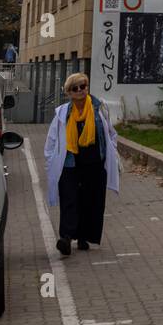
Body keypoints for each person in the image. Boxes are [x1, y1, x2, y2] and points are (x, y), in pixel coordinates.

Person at [44, 72, 120, 255]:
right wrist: (50, 160)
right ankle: (66, 238)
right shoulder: (63, 113)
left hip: (94, 162)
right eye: (75, 88)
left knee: (90, 200)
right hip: (69, 163)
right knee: (69, 199)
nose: (80, 91)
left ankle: (84, 237)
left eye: (83, 86)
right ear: (68, 93)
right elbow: (52, 139)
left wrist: (112, 153)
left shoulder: (99, 108)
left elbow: (110, 133)